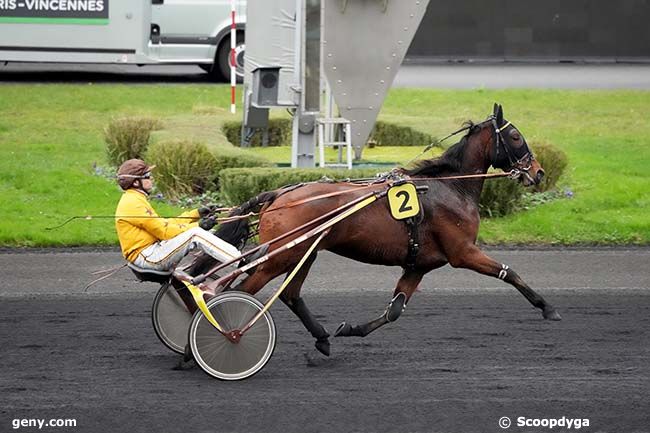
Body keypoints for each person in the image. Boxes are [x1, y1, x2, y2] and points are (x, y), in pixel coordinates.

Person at [114, 159, 253, 277]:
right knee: (196, 234)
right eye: (148, 176)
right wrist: (198, 226)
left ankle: (236, 258)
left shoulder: (135, 198)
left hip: (151, 251)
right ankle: (243, 263)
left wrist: (196, 214)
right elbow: (164, 231)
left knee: (208, 235)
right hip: (147, 257)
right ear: (136, 182)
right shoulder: (133, 203)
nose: (152, 179)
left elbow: (165, 224)